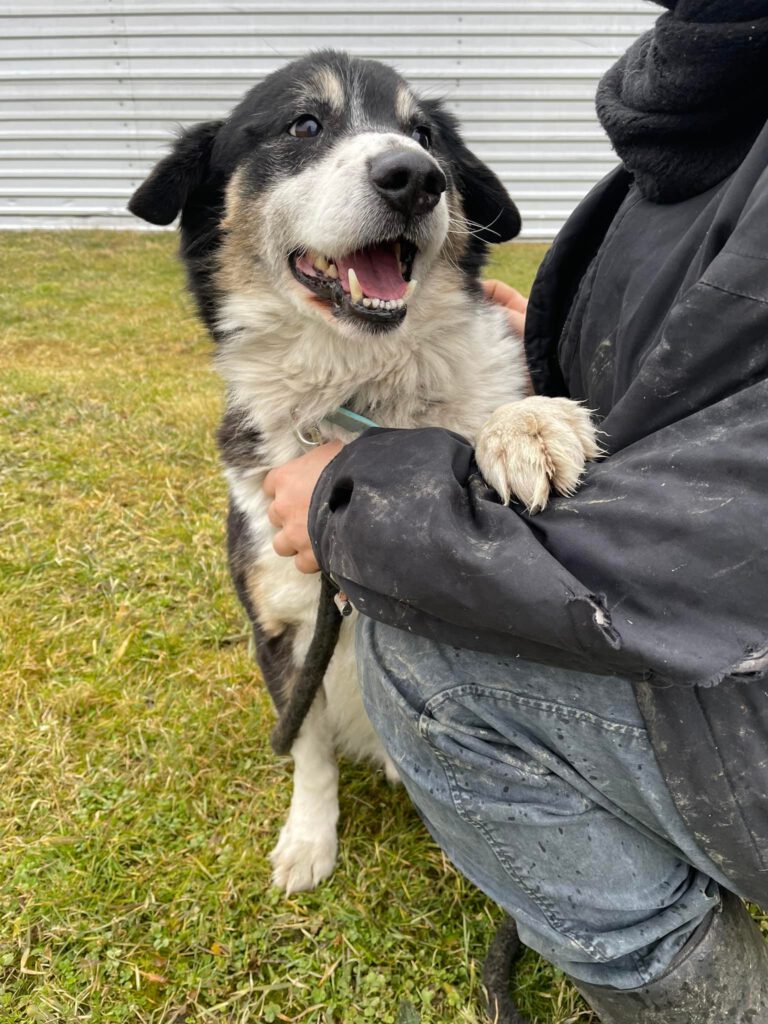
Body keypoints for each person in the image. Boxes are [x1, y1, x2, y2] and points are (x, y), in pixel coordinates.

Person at [263, 2, 768, 1019]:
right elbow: (718, 364)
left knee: (427, 642)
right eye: (309, 131)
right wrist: (560, 330)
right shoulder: (711, 89)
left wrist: (359, 496)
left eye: (421, 145)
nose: (403, 163)